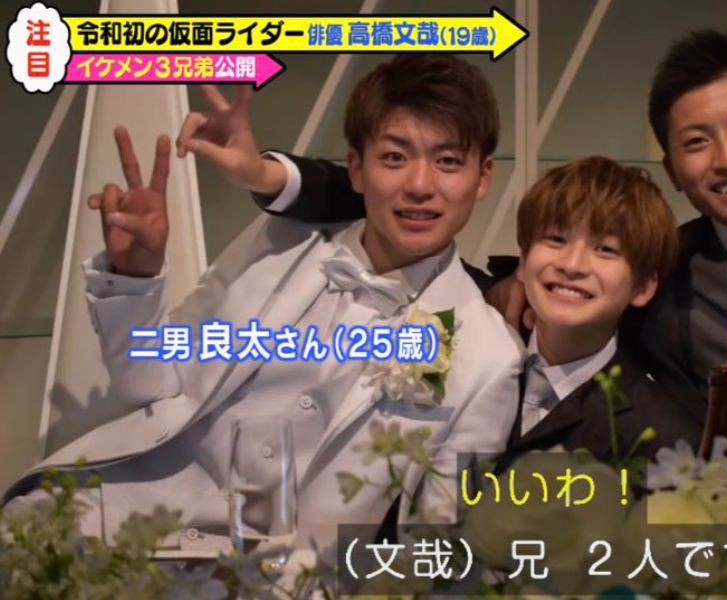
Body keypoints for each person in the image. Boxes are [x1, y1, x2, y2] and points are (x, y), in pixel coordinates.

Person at [181, 31, 727, 539]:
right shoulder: (664, 268)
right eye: (695, 142)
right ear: (673, 167)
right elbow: (423, 205)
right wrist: (274, 177)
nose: (725, 157)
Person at [3, 55, 524, 552]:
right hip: (116, 517)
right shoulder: (281, 241)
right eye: (394, 157)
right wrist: (136, 276)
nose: (420, 185)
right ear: (356, 169)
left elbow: (434, 540)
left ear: (482, 178)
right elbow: (150, 381)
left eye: (448, 161)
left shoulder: (489, 359)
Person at [500, 156, 703, 465]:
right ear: (524, 261)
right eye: (556, 238)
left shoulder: (663, 439)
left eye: (605, 249)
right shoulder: (476, 364)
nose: (572, 265)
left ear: (642, 287)